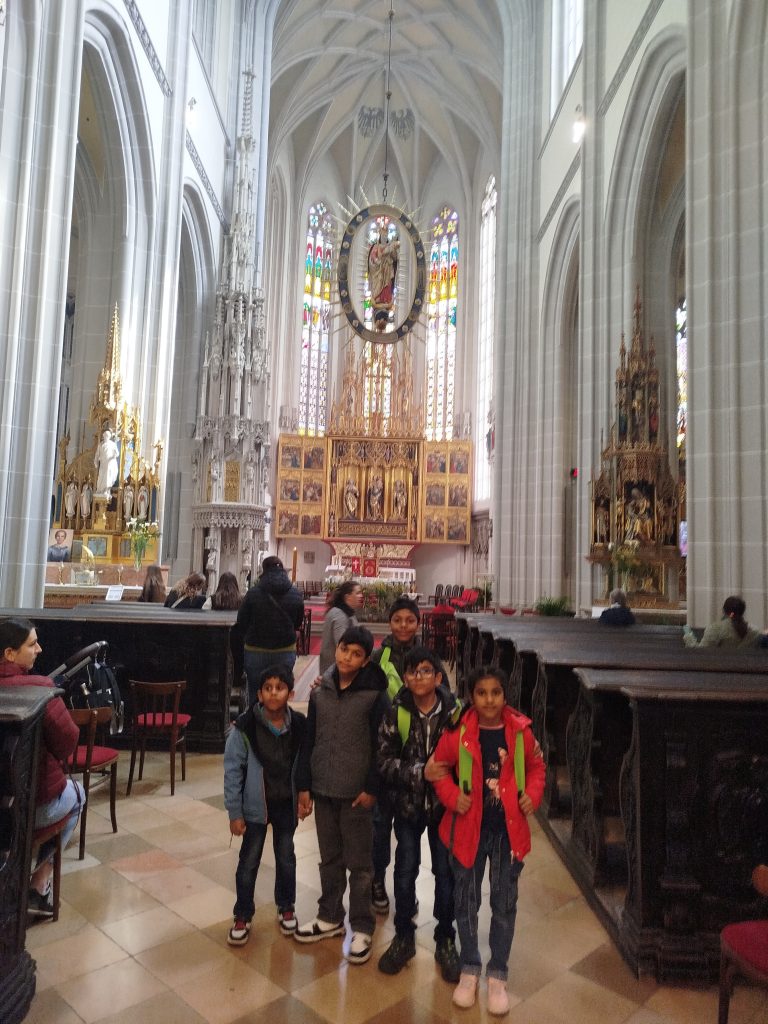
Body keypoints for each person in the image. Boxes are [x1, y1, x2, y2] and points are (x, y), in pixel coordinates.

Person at [425, 666, 545, 1014]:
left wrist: (532, 796)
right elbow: (438, 768)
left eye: (496, 692)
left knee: (504, 903)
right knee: (466, 900)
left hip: (508, 832)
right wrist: (452, 797)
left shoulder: (520, 732)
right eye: (481, 693)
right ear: (471, 696)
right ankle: (469, 966)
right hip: (468, 830)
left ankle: (498, 973)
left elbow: (537, 768)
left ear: (505, 695)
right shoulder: (459, 731)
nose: (489, 700)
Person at [294, 626, 388, 965]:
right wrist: (304, 784)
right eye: (344, 649)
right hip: (323, 787)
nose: (347, 657)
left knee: (360, 864)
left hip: (356, 793)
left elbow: (382, 745)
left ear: (365, 661)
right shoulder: (321, 690)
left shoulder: (375, 695)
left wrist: (372, 788)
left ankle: (361, 925)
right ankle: (330, 915)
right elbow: (309, 739)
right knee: (329, 858)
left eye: (356, 654)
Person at [376, 647, 462, 982]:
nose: (419, 677)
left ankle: (445, 937)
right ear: (405, 677)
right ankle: (403, 935)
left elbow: (469, 755)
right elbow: (383, 762)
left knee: (446, 873)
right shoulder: (396, 711)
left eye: (426, 670)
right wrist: (419, 772)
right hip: (408, 807)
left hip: (444, 808)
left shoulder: (454, 715)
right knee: (404, 871)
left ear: (438, 677)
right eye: (413, 671)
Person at [0, 617, 84, 919]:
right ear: (10, 654)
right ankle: (39, 881)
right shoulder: (40, 689)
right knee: (78, 795)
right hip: (27, 808)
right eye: (32, 644)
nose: (39, 649)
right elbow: (67, 742)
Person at [223, 664, 309, 945]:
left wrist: (305, 794)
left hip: (285, 803)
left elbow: (305, 763)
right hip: (255, 806)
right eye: (268, 688)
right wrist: (235, 812)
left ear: (290, 693)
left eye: (280, 688)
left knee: (286, 857)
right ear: (259, 694)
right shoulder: (244, 728)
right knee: (249, 861)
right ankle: (242, 913)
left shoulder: (298, 725)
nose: (274, 693)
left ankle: (286, 906)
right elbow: (233, 771)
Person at [369, 596, 423, 912]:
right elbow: (358, 682)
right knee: (379, 827)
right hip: (383, 754)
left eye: (410, 620)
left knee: (409, 831)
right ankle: (377, 880)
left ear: (418, 623)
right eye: (398, 619)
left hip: (415, 757)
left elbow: (445, 697)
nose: (403, 626)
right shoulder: (379, 656)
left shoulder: (427, 658)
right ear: (389, 622)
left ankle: (405, 888)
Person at [236, 556, 305, 706]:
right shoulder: (295, 593)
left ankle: (255, 719)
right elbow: (298, 622)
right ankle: (279, 719)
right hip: (285, 650)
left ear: (264, 570)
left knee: (256, 692)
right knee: (281, 691)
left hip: (256, 650)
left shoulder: (253, 593)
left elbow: (242, 621)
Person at [317, 581, 364, 675]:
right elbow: (343, 644)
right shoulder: (340, 615)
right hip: (336, 669)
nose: (361, 596)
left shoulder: (345, 612)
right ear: (347, 597)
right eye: (358, 593)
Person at [683, 595, 761, 648]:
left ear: (724, 610)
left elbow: (701, 653)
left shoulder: (716, 629)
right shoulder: (755, 632)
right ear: (742, 611)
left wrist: (688, 635)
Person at [368, 225, 399, 331]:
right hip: (378, 273)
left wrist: (392, 251)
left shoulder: (390, 246)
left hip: (388, 271)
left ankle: (386, 299)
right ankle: (378, 298)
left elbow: (395, 258)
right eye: (383, 236)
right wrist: (377, 261)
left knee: (387, 285)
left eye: (386, 236)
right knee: (378, 284)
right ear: (380, 236)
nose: (384, 238)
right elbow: (372, 258)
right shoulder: (376, 247)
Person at [94, 427, 119, 495]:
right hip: (103, 463)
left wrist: (113, 456)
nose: (106, 437)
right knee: (101, 476)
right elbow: (97, 454)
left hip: (109, 463)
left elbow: (117, 453)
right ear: (103, 436)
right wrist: (96, 461)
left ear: (109, 436)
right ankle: (100, 490)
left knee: (107, 476)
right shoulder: (100, 444)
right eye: (105, 435)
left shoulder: (112, 444)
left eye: (107, 435)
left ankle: (106, 490)